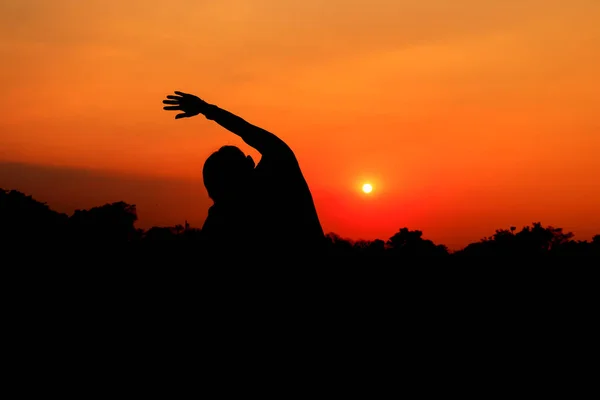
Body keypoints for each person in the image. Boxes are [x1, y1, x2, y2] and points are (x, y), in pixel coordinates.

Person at [162, 91, 325, 256]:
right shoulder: (281, 174)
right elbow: (248, 131)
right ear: (250, 162)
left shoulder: (222, 219)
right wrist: (206, 108)